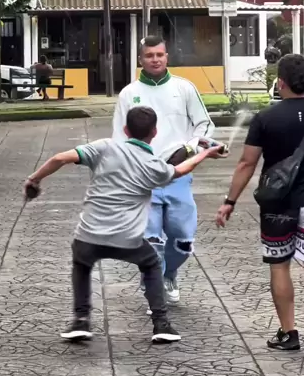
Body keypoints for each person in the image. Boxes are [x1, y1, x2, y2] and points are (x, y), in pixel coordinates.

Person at [24, 106, 222, 344]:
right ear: (154, 132)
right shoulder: (153, 165)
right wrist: (204, 154)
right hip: (128, 239)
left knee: (82, 263)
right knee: (151, 264)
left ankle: (81, 320)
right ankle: (161, 324)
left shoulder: (104, 147)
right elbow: (180, 170)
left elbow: (59, 158)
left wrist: (34, 179)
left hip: (89, 234)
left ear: (126, 130)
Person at [216, 53, 304, 357]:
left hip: (276, 205)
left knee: (280, 266)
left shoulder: (265, 118)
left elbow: (246, 163)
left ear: (280, 83)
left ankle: (289, 333)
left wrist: (230, 201)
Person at [112, 36, 223, 306]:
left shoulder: (184, 88)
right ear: (141, 59)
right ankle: (154, 285)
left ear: (167, 56)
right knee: (151, 240)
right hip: (144, 179)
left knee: (183, 240)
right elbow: (119, 138)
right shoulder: (129, 93)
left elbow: (205, 125)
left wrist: (191, 147)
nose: (155, 59)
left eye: (159, 54)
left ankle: (169, 273)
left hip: (178, 175)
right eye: (149, 55)